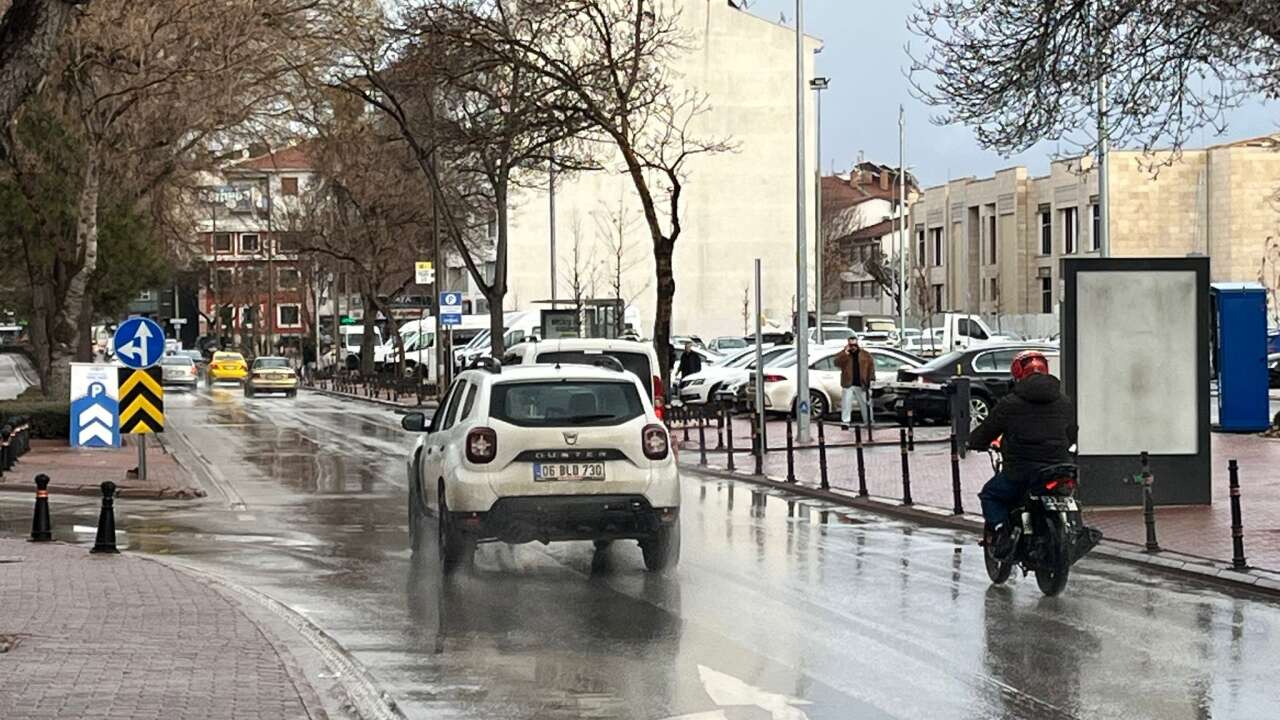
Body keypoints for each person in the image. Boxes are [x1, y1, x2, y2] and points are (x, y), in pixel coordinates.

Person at [967, 350, 1078, 556]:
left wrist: (974, 442)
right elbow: (1072, 432)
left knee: (990, 495)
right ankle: (1071, 529)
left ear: (1017, 374)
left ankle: (1001, 531)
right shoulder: (1064, 401)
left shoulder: (1010, 403)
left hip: (1022, 470)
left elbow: (988, 429)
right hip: (1059, 467)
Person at [834, 335, 875, 430]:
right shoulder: (844, 354)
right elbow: (836, 363)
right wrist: (845, 353)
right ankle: (845, 422)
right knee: (846, 403)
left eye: (854, 344)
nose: (853, 347)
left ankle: (868, 421)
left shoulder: (865, 354)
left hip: (862, 383)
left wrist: (871, 380)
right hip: (848, 383)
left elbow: (871, 368)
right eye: (850, 344)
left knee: (865, 403)